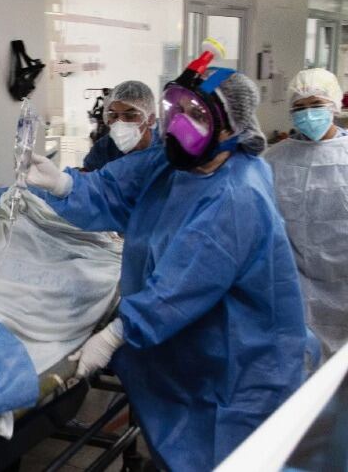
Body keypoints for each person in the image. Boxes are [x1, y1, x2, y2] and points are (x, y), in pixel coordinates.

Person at [27, 67, 306, 471]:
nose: (178, 123)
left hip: (238, 368)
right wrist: (64, 184)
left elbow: (180, 288)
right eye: (175, 108)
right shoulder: (174, 165)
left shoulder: (236, 195)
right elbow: (116, 190)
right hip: (187, 357)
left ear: (229, 128)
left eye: (196, 114)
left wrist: (116, 334)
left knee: (227, 455)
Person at [264, 68, 348, 361]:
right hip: (295, 281)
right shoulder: (274, 158)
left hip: (343, 279)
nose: (308, 113)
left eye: (316, 104)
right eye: (299, 107)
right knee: (303, 359)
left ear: (334, 105)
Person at [82, 80, 159, 171]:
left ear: (150, 119)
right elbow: (86, 175)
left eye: (130, 115)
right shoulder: (104, 148)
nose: (120, 122)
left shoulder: (166, 147)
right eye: (113, 115)